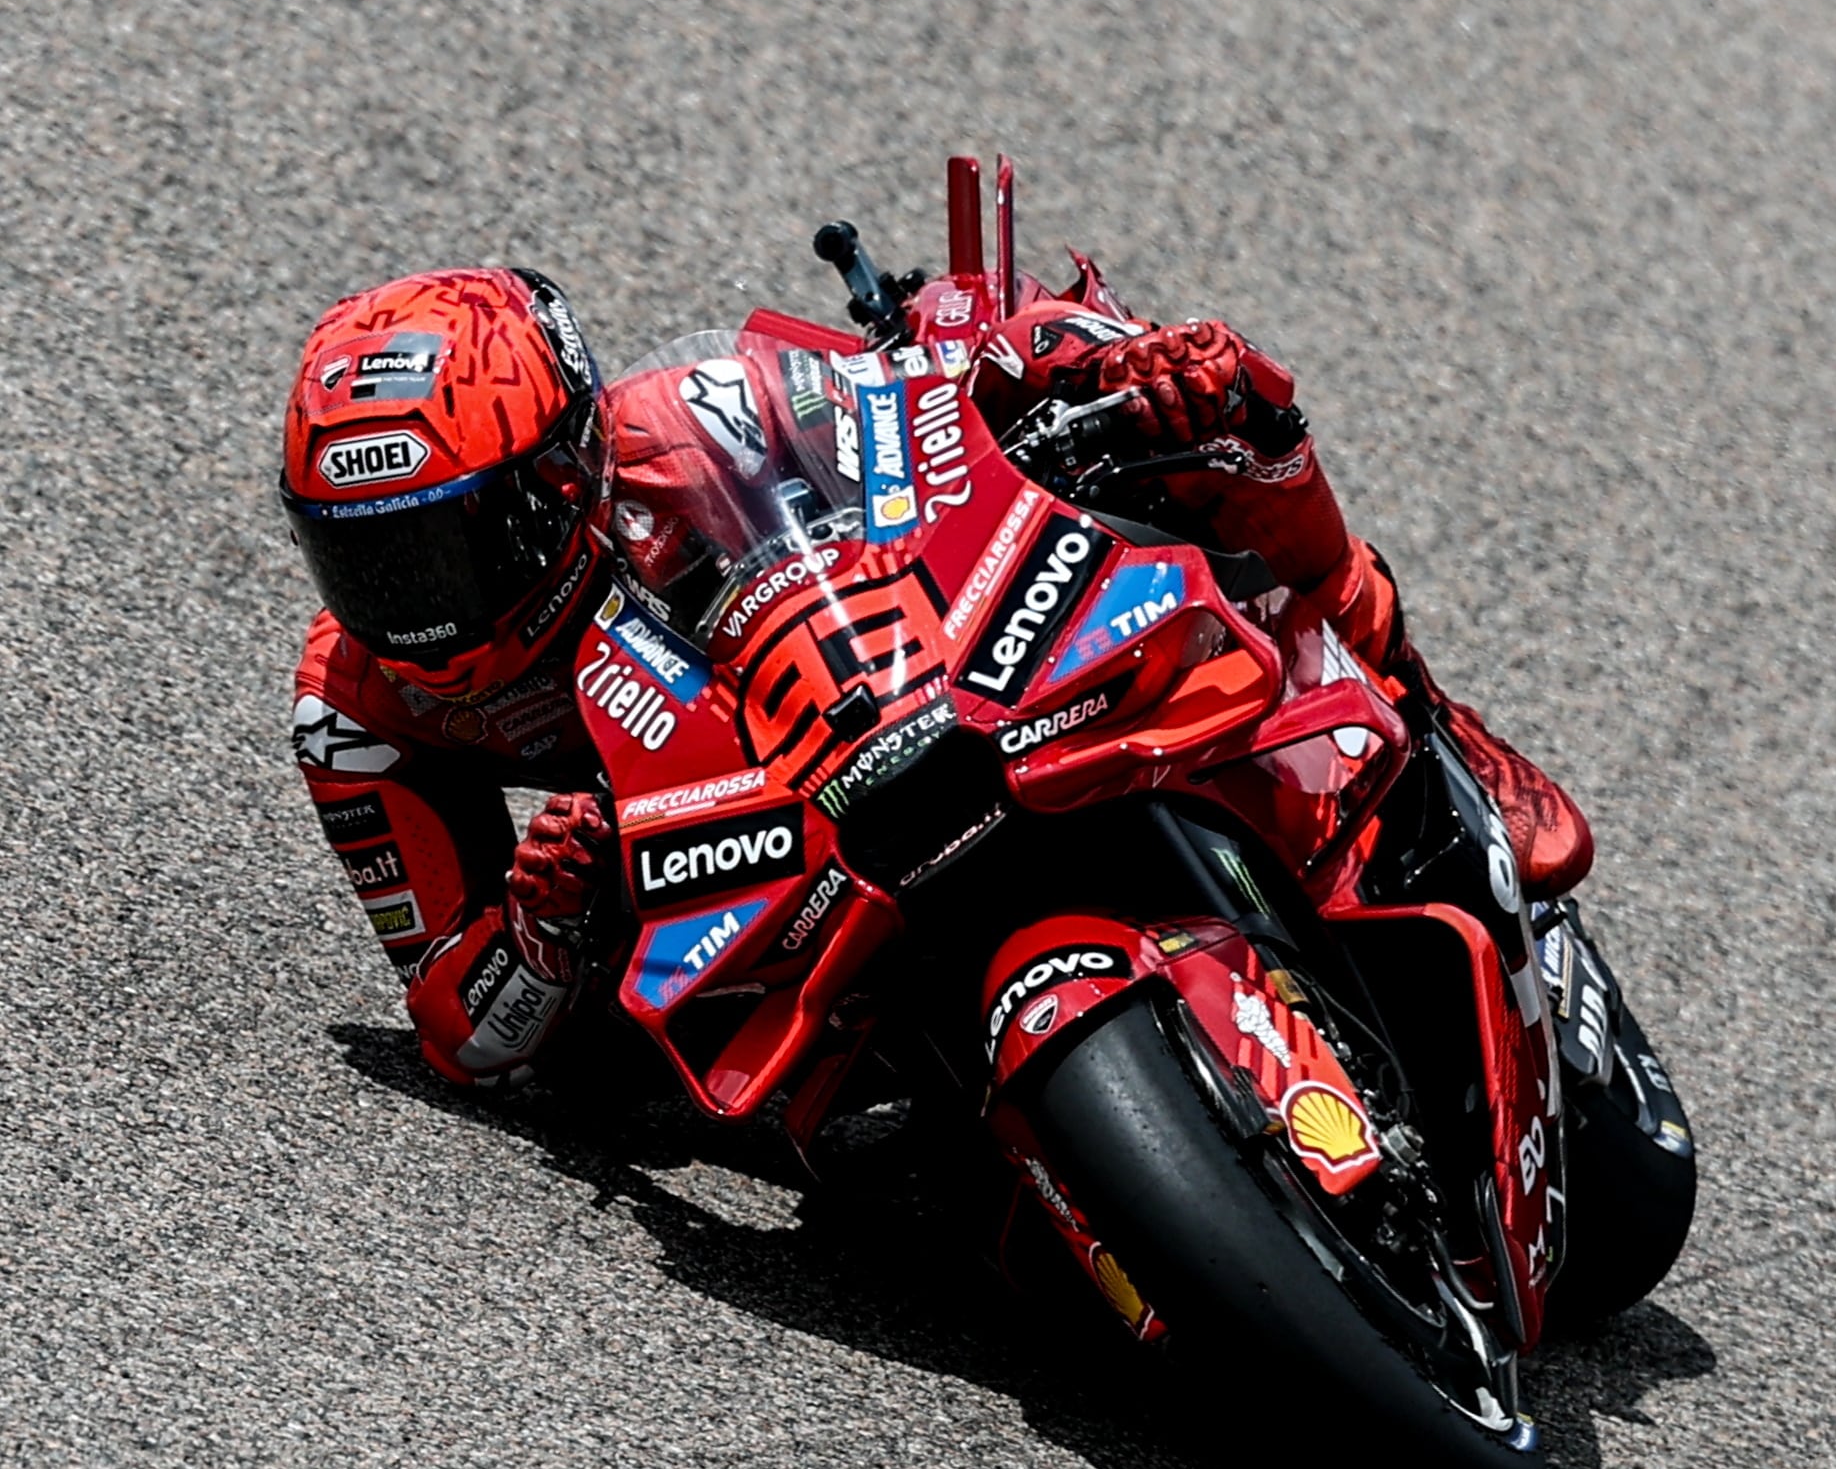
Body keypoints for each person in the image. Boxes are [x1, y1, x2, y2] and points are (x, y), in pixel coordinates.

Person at [281, 260, 1591, 1089]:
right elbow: (462, 1025)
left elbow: (918, 406)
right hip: (705, 893)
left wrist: (1067, 370)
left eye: (440, 554)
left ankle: (1417, 702)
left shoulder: (684, 426)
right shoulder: (354, 709)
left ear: (560, 476)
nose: (410, 613)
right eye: (368, 567)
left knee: (1211, 407)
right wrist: (548, 924)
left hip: (883, 702)